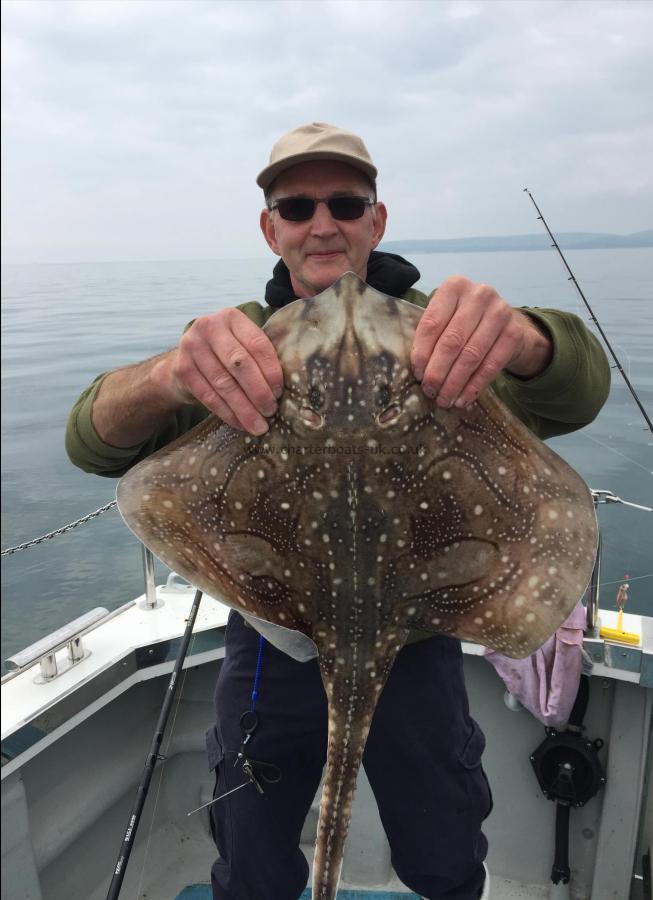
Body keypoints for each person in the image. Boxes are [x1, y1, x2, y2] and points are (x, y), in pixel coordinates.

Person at [66, 122, 611, 900]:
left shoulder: (447, 336)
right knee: (252, 852)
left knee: (442, 843)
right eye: (297, 206)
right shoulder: (236, 348)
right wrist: (165, 377)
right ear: (271, 227)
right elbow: (92, 441)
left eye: (346, 203)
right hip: (270, 638)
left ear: (375, 219)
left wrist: (527, 339)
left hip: (418, 634)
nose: (323, 223)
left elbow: (579, 389)